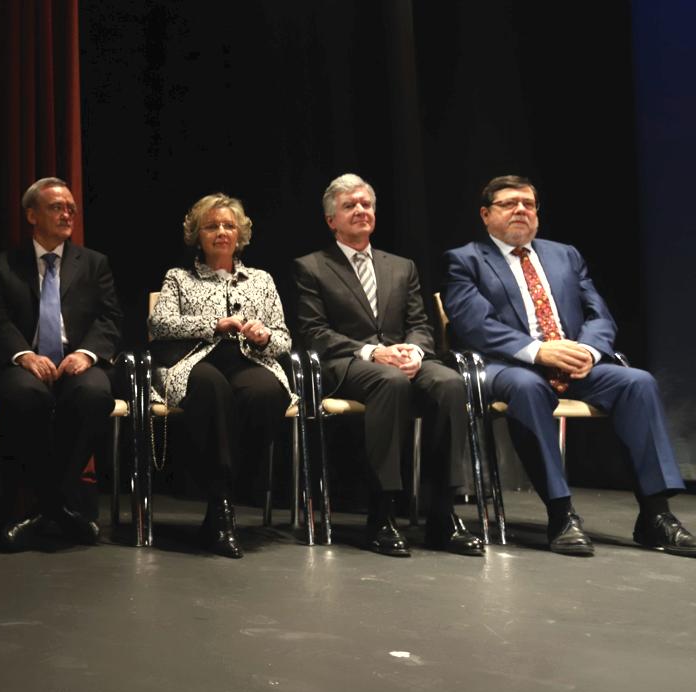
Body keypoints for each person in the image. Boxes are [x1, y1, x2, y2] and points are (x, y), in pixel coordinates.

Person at [443, 175, 694, 556]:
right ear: (485, 214)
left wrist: (588, 352)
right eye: (509, 203)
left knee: (637, 383)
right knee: (529, 389)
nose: (521, 210)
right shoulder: (465, 260)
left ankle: (656, 515)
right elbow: (473, 324)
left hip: (575, 364)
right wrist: (537, 352)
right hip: (509, 366)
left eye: (528, 204)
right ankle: (561, 513)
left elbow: (599, 314)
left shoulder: (565, 254)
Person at [293, 174, 484, 557]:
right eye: (350, 205)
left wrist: (414, 351)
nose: (361, 210)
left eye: (366, 204)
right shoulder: (312, 267)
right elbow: (315, 333)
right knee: (389, 383)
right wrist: (372, 352)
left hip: (403, 359)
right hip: (347, 365)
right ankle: (382, 512)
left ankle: (444, 514)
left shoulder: (401, 266)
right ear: (331, 219)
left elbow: (419, 325)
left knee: (449, 383)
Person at [0, 176, 123, 551]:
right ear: (31, 215)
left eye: (70, 209)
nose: (66, 214)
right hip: (24, 364)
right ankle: (59, 506)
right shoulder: (2, 265)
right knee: (25, 397)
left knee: (94, 395)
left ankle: (45, 503)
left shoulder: (94, 263)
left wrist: (86, 353)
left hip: (77, 362)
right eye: (56, 207)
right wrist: (24, 355)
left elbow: (109, 319)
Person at [149, 193, 293, 559]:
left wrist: (263, 336)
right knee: (213, 390)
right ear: (198, 234)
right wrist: (214, 324)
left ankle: (221, 500)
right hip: (195, 359)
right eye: (212, 226)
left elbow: (284, 338)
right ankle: (223, 505)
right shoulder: (179, 278)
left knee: (267, 393)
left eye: (229, 225)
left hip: (248, 359)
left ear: (240, 233)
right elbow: (159, 324)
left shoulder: (261, 280)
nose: (221, 232)